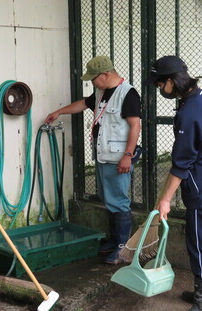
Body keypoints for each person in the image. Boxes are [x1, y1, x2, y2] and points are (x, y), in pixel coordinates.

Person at [145, 56, 202, 311]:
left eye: (161, 84)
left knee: (199, 242)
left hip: (201, 187)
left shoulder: (189, 111)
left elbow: (181, 164)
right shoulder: (201, 98)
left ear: (171, 81)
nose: (160, 89)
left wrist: (165, 199)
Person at [44, 55, 141, 264]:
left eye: (93, 79)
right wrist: (58, 112)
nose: (92, 83)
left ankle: (123, 249)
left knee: (119, 201)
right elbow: (83, 104)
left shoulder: (128, 93)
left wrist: (128, 155)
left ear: (106, 74)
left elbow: (135, 126)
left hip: (118, 158)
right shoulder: (101, 91)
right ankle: (115, 241)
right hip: (103, 154)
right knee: (108, 199)